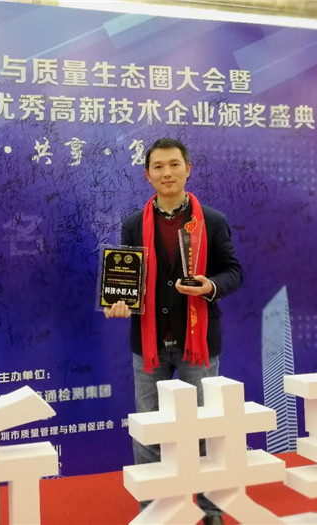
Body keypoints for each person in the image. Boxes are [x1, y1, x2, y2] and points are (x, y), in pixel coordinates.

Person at [104, 137, 243, 525]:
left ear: (188, 169)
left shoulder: (211, 221)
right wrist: (120, 302)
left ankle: (211, 510)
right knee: (150, 430)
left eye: (174, 164)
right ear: (147, 175)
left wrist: (210, 286)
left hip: (198, 342)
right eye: (158, 166)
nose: (167, 172)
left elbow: (234, 272)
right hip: (148, 343)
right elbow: (128, 278)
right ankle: (155, 508)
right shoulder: (134, 224)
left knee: (206, 427)